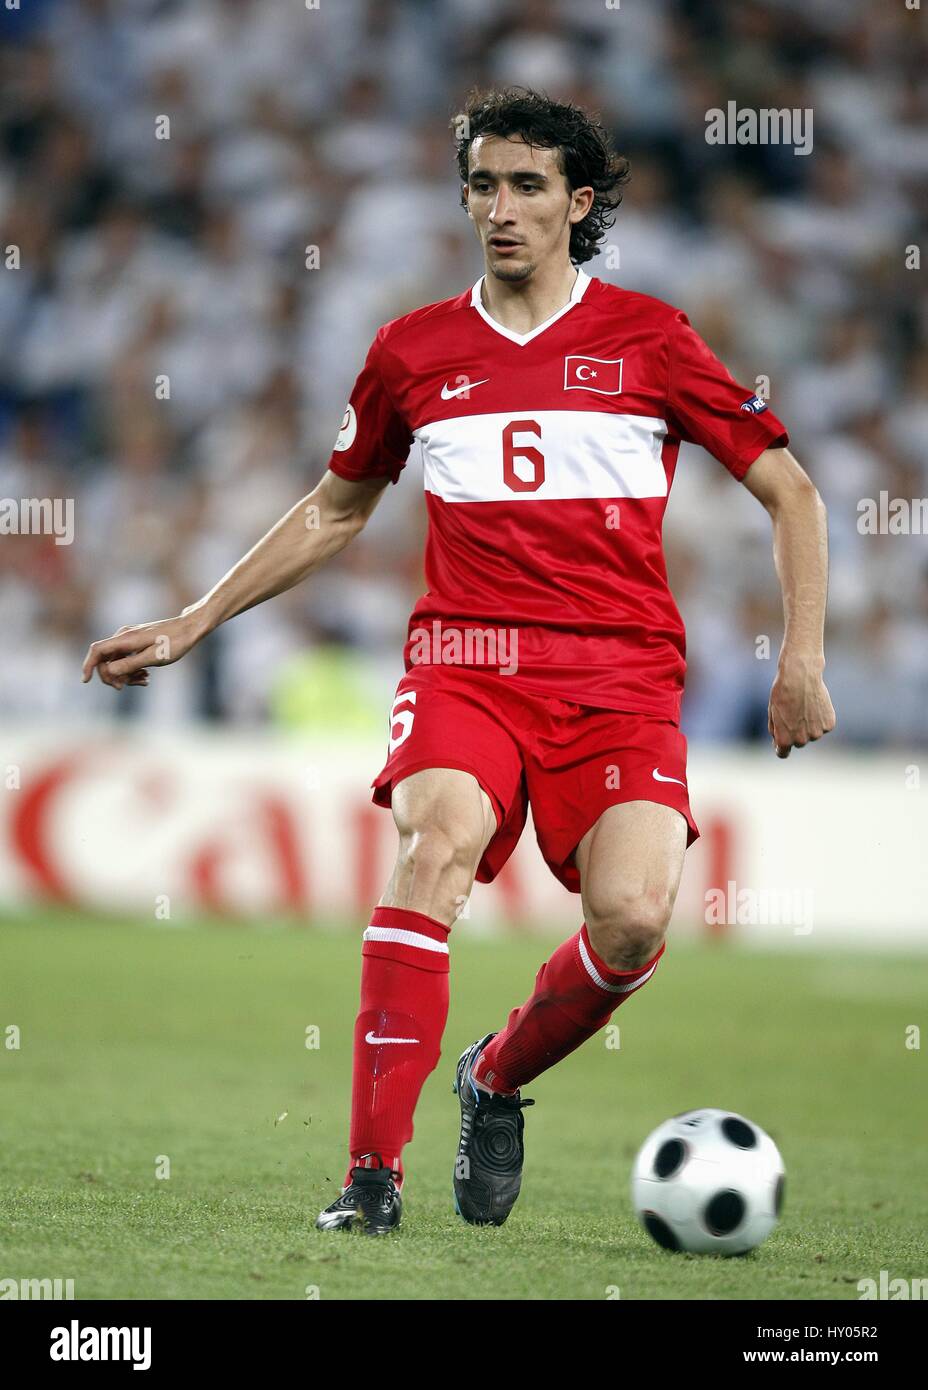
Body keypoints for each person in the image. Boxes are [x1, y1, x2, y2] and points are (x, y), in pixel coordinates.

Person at [82, 87, 836, 1237]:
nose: (500, 207)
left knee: (631, 919)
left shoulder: (651, 340)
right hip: (466, 663)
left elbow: (792, 491)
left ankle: (491, 1074)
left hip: (621, 677)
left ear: (577, 205)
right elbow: (336, 510)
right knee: (434, 844)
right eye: (482, 184)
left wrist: (802, 657)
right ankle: (370, 1179)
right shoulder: (412, 350)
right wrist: (194, 618)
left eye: (527, 186)